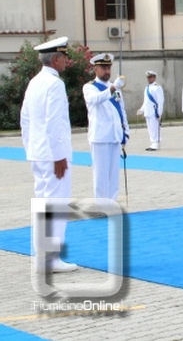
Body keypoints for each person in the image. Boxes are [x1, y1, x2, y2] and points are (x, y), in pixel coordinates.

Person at [20, 37, 77, 273]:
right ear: (55, 59)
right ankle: (51, 259)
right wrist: (59, 155)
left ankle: (41, 257)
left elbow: (25, 119)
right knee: (56, 205)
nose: (66, 61)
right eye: (63, 57)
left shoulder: (35, 82)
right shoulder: (54, 84)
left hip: (38, 153)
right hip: (53, 156)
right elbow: (54, 122)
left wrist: (31, 148)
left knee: (42, 205)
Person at [82, 53, 129, 201]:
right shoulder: (90, 87)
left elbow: (121, 110)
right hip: (100, 137)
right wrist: (113, 88)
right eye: (103, 68)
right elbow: (96, 99)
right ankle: (101, 204)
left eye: (109, 68)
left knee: (113, 175)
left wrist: (125, 131)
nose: (107, 71)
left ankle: (112, 202)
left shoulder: (114, 87)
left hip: (115, 135)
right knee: (101, 175)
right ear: (95, 69)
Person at [137, 70, 164, 151]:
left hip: (154, 111)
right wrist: (141, 109)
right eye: (148, 77)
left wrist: (159, 113)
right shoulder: (147, 88)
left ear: (154, 78)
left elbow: (160, 101)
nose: (149, 79)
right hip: (148, 111)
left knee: (154, 127)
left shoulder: (157, 87)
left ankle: (156, 143)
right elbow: (146, 101)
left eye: (151, 77)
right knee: (150, 128)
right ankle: (152, 142)